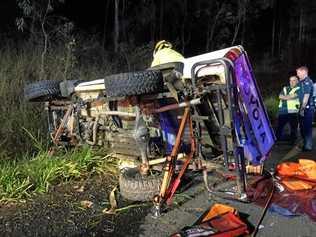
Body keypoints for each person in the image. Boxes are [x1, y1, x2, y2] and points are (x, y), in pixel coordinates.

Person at [276, 76, 300, 144]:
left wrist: (285, 97)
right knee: (280, 127)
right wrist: (288, 97)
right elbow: (280, 96)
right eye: (290, 80)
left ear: (297, 81)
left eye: (294, 80)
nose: (291, 82)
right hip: (283, 111)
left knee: (293, 127)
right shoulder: (285, 88)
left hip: (293, 111)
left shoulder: (299, 89)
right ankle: (278, 140)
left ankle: (292, 141)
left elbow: (294, 96)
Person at [296, 66, 314, 151]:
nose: (297, 74)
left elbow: (306, 97)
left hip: (307, 108)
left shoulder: (307, 82)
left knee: (307, 128)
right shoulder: (300, 82)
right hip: (302, 108)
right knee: (302, 128)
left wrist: (302, 109)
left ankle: (308, 146)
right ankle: (305, 144)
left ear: (304, 72)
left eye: (298, 72)